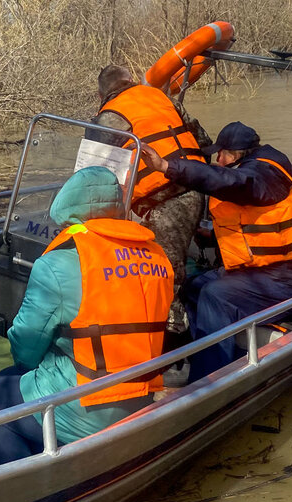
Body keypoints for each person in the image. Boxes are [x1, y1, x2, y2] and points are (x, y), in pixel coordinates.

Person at [0, 166, 173, 466]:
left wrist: (29, 368)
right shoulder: (158, 257)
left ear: (66, 209)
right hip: (141, 395)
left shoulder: (57, 264)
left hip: (83, 407)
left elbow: (26, 345)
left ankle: (28, 488)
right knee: (8, 379)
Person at [139, 121, 292, 381]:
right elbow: (254, 224)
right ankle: (194, 358)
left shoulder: (262, 175)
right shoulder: (252, 172)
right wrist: (211, 236)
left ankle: (209, 379)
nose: (217, 159)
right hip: (261, 271)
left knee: (217, 295)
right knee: (193, 287)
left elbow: (229, 182)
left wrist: (168, 167)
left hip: (291, 279)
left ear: (234, 155)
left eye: (220, 154)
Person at [90, 64, 209, 332]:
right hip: (195, 185)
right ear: (130, 80)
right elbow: (202, 139)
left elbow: (90, 172)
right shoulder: (161, 97)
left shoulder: (109, 116)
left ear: (101, 96)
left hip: (164, 201)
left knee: (165, 275)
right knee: (169, 266)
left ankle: (173, 338)